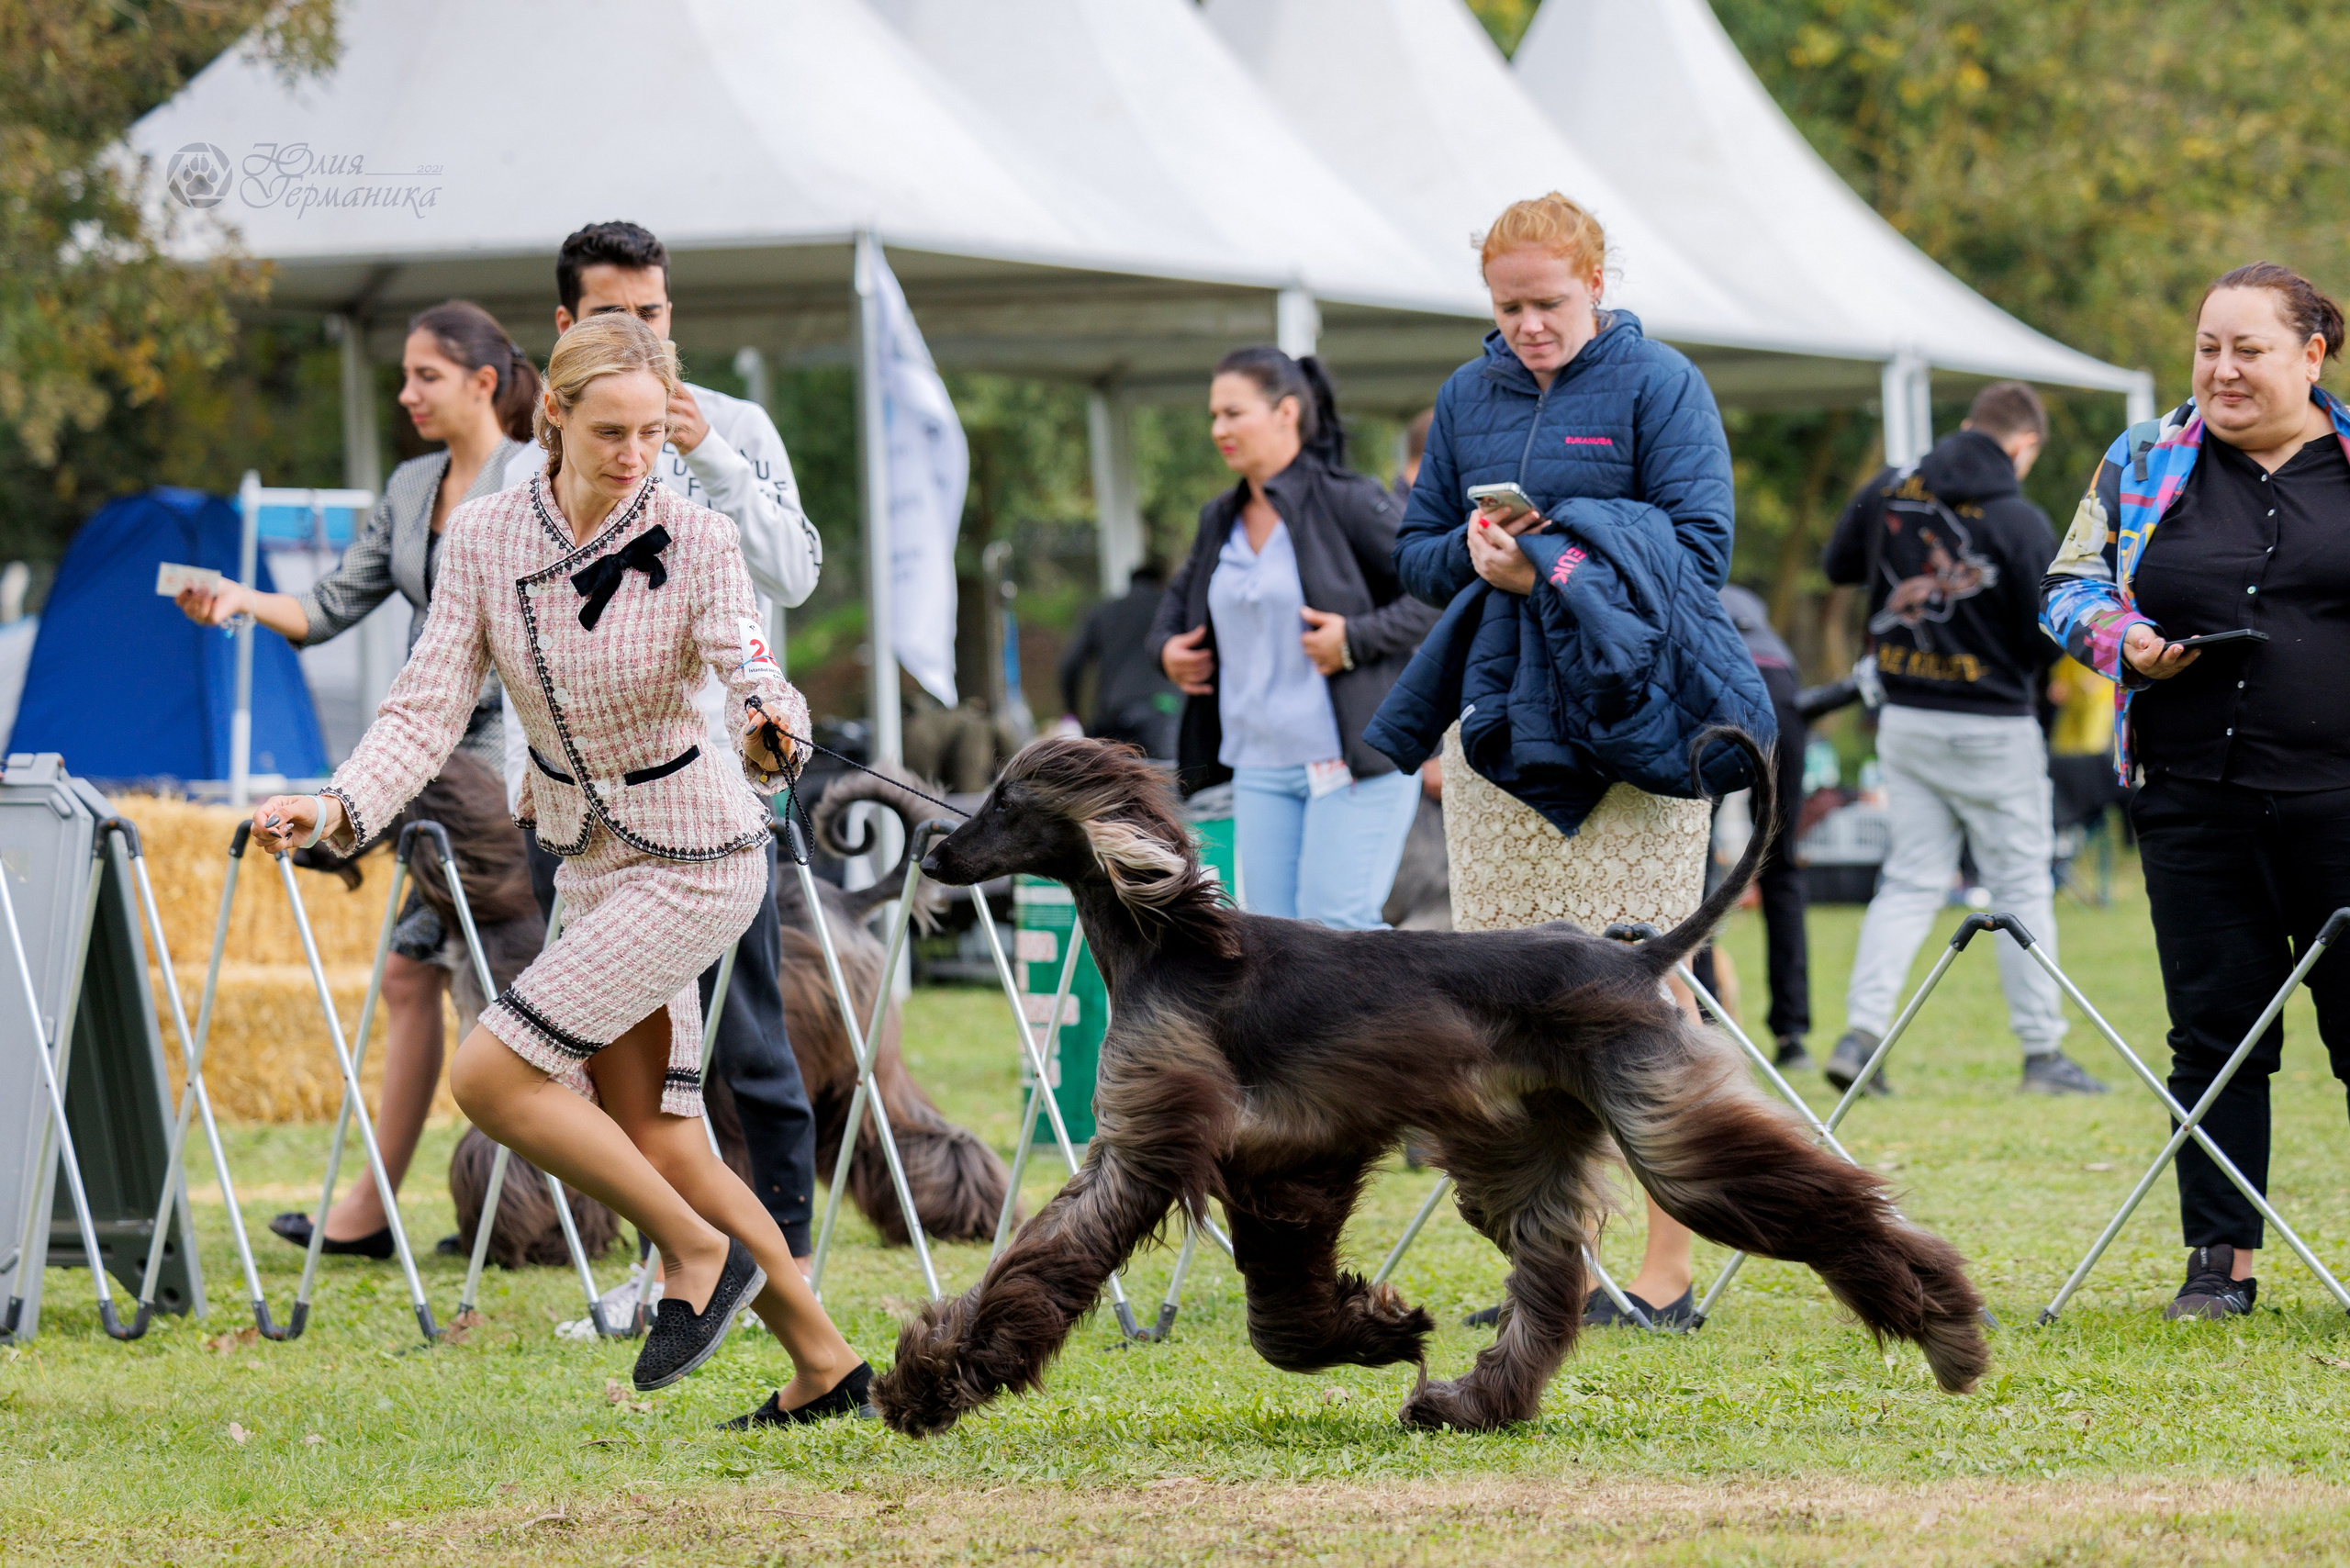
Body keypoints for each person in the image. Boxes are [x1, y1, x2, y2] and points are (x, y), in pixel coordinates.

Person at [249, 314, 868, 1422]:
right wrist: (337, 803)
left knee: (490, 1076)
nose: (636, 457)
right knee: (665, 1136)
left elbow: (750, 663)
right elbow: (425, 706)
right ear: (554, 419)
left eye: (651, 435)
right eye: (611, 432)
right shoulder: (484, 540)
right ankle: (825, 1368)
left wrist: (773, 720)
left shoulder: (698, 537)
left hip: (696, 857)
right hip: (588, 861)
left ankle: (692, 1253)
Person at [1368, 192, 1774, 1328]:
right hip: (1499, 731)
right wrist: (1477, 553)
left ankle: (1668, 1269)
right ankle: (1560, 1269)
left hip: (1633, 721)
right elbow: (1412, 558)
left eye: (1547, 303)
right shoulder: (1466, 392)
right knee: (1510, 1006)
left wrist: (1560, 554)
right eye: (1508, 307)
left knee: (1645, 989)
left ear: (1596, 281)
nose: (1529, 326)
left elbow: (1700, 552)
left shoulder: (1662, 386)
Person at [175, 299, 538, 1258]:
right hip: (429, 755)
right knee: (418, 975)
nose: (406, 392)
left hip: (507, 766)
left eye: (425, 374)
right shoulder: (415, 484)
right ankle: (399, 1208)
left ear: (482, 381)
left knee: (473, 980)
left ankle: (521, 1210)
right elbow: (334, 603)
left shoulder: (535, 474)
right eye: (406, 374)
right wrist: (241, 600)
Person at [503, 221, 825, 1271]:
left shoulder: (734, 428)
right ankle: (664, 1273)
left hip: (721, 788)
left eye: (654, 313)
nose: (640, 334)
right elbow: (512, 635)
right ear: (565, 330)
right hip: (585, 806)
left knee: (753, 1040)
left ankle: (782, 1258)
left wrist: (709, 454)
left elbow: (795, 576)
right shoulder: (532, 464)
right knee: (606, 1058)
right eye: (614, 317)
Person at [2043, 261, 2350, 1321]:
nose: (2221, 369)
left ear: (2310, 356)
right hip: (2189, 796)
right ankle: (2219, 1262)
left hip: (2338, 803)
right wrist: (2122, 640)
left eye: (2248, 349)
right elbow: (2067, 583)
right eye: (2207, 347)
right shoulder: (2141, 457)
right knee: (2213, 1036)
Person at [1822, 381, 2107, 1097]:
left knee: (1910, 881)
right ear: (2024, 445)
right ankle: (2043, 1055)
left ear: (1965, 427)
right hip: (1994, 726)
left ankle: (1861, 1038)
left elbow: (1838, 567)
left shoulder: (1891, 488)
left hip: (1907, 718)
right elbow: (2050, 631)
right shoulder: (2019, 518)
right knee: (2020, 886)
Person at [1146, 348, 1439, 928]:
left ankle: (1403, 1024)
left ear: (1285, 412)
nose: (1218, 430)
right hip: (1258, 763)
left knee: (1338, 925)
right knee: (1272, 942)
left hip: (1353, 759)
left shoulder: (1349, 500)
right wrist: (1167, 653)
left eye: (1233, 413)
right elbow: (1172, 614)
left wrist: (1355, 638)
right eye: (1214, 415)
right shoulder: (1218, 519)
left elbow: (1435, 593)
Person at [1715, 584, 1812, 1068]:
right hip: (1782, 693)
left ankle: (1704, 1020)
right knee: (1782, 868)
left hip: (1722, 685)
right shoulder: (1749, 600)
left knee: (1688, 868)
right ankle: (1792, 1037)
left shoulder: (1670, 578)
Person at [1058, 564, 1179, 758]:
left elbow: (1070, 665)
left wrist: (1073, 710)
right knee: (1166, 781)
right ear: (1161, 582)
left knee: (1114, 784)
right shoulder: (1172, 611)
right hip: (1164, 709)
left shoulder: (1102, 612)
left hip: (1114, 715)